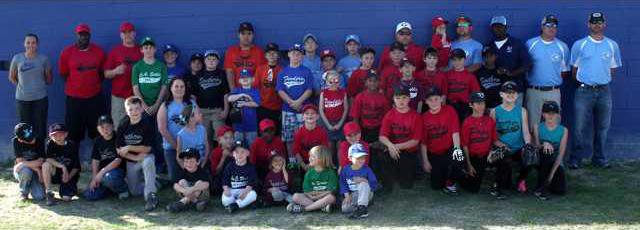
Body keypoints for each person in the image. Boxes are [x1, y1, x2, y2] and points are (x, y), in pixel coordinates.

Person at [568, 12, 622, 169]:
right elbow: (574, 70)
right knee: (579, 127)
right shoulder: (580, 44)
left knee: (603, 127)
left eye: (600, 22)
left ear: (604, 24)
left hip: (604, 91)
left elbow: (612, 69)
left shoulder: (612, 45)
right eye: (594, 22)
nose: (597, 25)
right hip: (584, 91)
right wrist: (585, 83)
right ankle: (575, 159)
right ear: (588, 24)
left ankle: (599, 158)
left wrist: (601, 82)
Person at [58, 23, 106, 144]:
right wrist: (77, 85)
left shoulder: (99, 51)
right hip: (74, 100)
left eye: (86, 34)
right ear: (76, 35)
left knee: (97, 132)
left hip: (94, 99)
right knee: (73, 134)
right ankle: (73, 162)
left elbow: (102, 74)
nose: (83, 37)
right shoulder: (67, 52)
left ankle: (98, 160)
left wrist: (91, 84)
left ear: (89, 35)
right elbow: (63, 74)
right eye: (81, 34)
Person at [525, 15, 570, 130]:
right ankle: (534, 148)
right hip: (534, 91)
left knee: (553, 125)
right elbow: (524, 66)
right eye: (548, 25)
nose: (552, 28)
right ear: (542, 27)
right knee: (532, 125)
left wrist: (551, 80)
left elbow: (564, 72)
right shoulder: (530, 44)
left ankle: (552, 148)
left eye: (555, 26)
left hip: (553, 92)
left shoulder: (562, 47)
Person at [490, 81, 532, 197]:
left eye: (513, 92)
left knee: (531, 154)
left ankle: (521, 179)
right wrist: (500, 145)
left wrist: (528, 145)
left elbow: (525, 132)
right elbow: (492, 136)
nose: (510, 95)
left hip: (517, 148)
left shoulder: (522, 111)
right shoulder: (495, 111)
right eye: (507, 92)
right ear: (501, 94)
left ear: (517, 95)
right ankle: (497, 185)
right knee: (505, 182)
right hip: (502, 148)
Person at [117, 97, 158, 211]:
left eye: (137, 109)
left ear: (141, 110)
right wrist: (134, 157)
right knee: (134, 192)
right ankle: (157, 182)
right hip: (131, 160)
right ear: (126, 111)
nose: (134, 112)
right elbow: (119, 150)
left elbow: (148, 148)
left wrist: (129, 147)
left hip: (145, 157)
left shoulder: (147, 124)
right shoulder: (123, 123)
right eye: (130, 109)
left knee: (149, 161)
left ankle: (151, 196)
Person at [378, 88, 422, 192]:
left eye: (404, 98)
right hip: (392, 149)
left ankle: (404, 173)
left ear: (409, 99)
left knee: (406, 184)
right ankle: (386, 183)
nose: (401, 101)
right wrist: (390, 146)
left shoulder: (416, 116)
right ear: (393, 99)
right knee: (381, 156)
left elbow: (415, 141)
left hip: (408, 151)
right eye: (397, 98)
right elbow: (382, 136)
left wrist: (395, 147)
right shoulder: (390, 115)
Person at [9, 33, 52, 141]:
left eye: (33, 42)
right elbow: (12, 77)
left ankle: (41, 152)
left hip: (40, 99)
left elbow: (49, 79)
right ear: (24, 44)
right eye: (28, 42)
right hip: (22, 99)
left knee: (40, 127)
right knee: (25, 127)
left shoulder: (44, 59)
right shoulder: (17, 58)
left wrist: (38, 86)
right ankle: (27, 153)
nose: (30, 45)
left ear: (37, 44)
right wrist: (23, 87)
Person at [420, 87, 462, 195]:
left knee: (459, 158)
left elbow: (455, 132)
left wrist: (457, 149)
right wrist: (425, 161)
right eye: (430, 100)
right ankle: (442, 174)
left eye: (436, 99)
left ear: (441, 99)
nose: (434, 102)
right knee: (436, 186)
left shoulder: (450, 110)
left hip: (448, 149)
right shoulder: (424, 117)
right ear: (426, 102)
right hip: (434, 153)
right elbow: (423, 142)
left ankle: (451, 181)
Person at [276, 43, 313, 158]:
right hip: (288, 109)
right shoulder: (283, 72)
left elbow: (309, 90)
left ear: (302, 56)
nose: (295, 56)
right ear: (288, 55)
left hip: (303, 110)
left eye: (298, 54)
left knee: (305, 138)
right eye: (293, 53)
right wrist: (291, 102)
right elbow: (280, 90)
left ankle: (306, 161)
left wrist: (299, 102)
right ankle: (292, 162)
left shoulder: (306, 71)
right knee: (289, 138)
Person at [104, 22, 142, 127]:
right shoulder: (115, 51)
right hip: (119, 96)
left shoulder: (142, 50)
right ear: (121, 35)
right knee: (119, 126)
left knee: (138, 126)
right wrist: (115, 71)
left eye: (130, 32)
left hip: (138, 96)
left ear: (134, 34)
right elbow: (106, 74)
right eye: (125, 33)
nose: (128, 35)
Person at [488, 16, 532, 106]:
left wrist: (511, 73)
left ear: (506, 27)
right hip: (495, 91)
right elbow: (485, 68)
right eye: (495, 27)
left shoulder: (516, 43)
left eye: (500, 26)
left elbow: (527, 65)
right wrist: (493, 68)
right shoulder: (489, 46)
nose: (497, 29)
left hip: (515, 90)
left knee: (515, 118)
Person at [83, 115, 129, 201]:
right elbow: (95, 160)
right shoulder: (97, 141)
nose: (105, 130)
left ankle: (123, 189)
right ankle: (110, 189)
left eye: (108, 126)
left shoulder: (118, 138)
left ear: (113, 126)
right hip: (103, 175)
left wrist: (101, 173)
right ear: (98, 129)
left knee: (109, 178)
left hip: (116, 172)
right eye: (102, 127)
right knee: (89, 195)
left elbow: (118, 160)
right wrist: (94, 178)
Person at [460, 92, 498, 193]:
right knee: (473, 189)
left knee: (503, 159)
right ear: (471, 105)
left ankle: (498, 184)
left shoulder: (490, 121)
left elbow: (494, 140)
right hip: (472, 157)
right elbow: (464, 145)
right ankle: (462, 175)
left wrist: (497, 150)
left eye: (483, 103)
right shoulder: (467, 122)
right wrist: (468, 164)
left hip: (486, 155)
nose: (481, 106)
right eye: (478, 103)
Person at [157, 78, 192, 182]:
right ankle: (161, 178)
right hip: (172, 147)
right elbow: (162, 129)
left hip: (189, 146)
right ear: (171, 88)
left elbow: (198, 123)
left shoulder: (191, 103)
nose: (179, 89)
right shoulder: (165, 106)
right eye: (176, 86)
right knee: (175, 178)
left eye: (182, 86)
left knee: (192, 176)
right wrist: (177, 147)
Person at [533, 101, 568, 200]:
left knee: (560, 190)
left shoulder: (563, 130)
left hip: (554, 162)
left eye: (553, 113)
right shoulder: (537, 127)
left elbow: (561, 154)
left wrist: (552, 175)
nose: (550, 116)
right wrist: (544, 144)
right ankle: (540, 189)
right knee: (547, 151)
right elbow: (536, 146)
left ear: (557, 114)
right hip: (541, 160)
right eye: (548, 113)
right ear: (543, 114)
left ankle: (547, 183)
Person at [287, 145, 338, 214]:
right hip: (311, 198)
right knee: (295, 196)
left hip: (324, 198)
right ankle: (321, 207)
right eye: (309, 156)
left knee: (331, 198)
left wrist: (318, 196)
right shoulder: (309, 173)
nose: (309, 158)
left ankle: (305, 208)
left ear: (322, 159)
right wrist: (312, 196)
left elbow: (331, 191)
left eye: (313, 156)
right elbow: (307, 191)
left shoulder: (331, 172)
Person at [42, 123, 80, 206]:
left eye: (61, 134)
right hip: (56, 173)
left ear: (66, 134)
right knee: (46, 165)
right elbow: (48, 158)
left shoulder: (72, 145)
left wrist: (68, 177)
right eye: (55, 135)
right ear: (50, 136)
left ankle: (70, 190)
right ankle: (48, 193)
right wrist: (62, 166)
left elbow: (76, 167)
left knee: (66, 198)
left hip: (69, 175)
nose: (58, 137)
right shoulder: (50, 143)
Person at [195, 50, 229, 136]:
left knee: (220, 136)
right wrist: (197, 111)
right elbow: (193, 95)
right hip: (202, 110)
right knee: (205, 137)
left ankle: (220, 150)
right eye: (209, 59)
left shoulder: (222, 74)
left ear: (218, 62)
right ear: (204, 61)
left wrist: (226, 110)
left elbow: (226, 93)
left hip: (217, 110)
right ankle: (208, 150)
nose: (211, 61)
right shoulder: (199, 74)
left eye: (214, 59)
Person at [350, 70, 390, 143]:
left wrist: (383, 133)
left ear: (379, 83)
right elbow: (355, 117)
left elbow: (386, 118)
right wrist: (357, 132)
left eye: (375, 81)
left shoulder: (383, 98)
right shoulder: (360, 97)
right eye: (370, 81)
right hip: (363, 129)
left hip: (378, 129)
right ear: (365, 82)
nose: (372, 83)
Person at [132, 37, 168, 117]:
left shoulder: (161, 66)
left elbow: (164, 87)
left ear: (155, 49)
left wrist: (157, 104)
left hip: (159, 105)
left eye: (151, 48)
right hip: (142, 106)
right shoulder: (137, 67)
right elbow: (135, 88)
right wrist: (144, 106)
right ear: (141, 50)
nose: (148, 50)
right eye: (146, 48)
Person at [339, 143, 378, 219]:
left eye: (363, 157)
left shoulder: (367, 169)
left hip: (367, 193)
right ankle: (362, 207)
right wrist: (347, 196)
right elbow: (343, 183)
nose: (361, 160)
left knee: (363, 184)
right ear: (350, 158)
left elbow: (374, 186)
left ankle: (362, 210)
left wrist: (364, 180)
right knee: (345, 209)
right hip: (354, 195)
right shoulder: (345, 170)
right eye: (358, 158)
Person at [166, 148, 210, 213]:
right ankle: (196, 202)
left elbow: (206, 184)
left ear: (198, 162)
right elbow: (175, 185)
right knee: (181, 181)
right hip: (186, 193)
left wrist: (192, 189)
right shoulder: (182, 172)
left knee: (199, 183)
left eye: (191, 161)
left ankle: (182, 202)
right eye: (186, 161)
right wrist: (184, 190)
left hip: (201, 196)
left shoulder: (202, 172)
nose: (188, 164)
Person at [224, 22, 266, 89]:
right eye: (243, 33)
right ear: (238, 35)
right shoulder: (231, 51)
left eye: (249, 34)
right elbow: (229, 72)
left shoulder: (259, 52)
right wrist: (233, 90)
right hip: (237, 90)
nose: (246, 37)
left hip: (254, 90)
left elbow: (261, 74)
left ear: (253, 35)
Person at [254, 43, 283, 134]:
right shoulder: (260, 69)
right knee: (263, 133)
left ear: (278, 55)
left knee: (275, 133)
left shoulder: (282, 71)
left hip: (276, 108)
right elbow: (255, 87)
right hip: (263, 107)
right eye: (269, 53)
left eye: (274, 53)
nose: (271, 55)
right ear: (265, 55)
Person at [221, 142, 258, 213]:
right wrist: (226, 190)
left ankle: (235, 205)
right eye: (237, 152)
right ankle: (239, 204)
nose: (239, 155)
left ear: (248, 153)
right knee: (225, 200)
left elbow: (251, 183)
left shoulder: (250, 167)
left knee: (253, 194)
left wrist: (245, 193)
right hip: (232, 190)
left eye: (242, 152)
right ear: (233, 154)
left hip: (244, 190)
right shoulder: (230, 166)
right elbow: (224, 180)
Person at [12, 123, 45, 201]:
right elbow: (20, 161)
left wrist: (24, 163)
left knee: (39, 197)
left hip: (33, 169)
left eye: (32, 136)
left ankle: (31, 184)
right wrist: (37, 169)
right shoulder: (16, 141)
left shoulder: (39, 139)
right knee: (26, 171)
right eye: (29, 140)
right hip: (23, 170)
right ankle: (24, 192)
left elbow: (40, 161)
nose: (33, 140)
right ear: (20, 140)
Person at [446, 48, 481, 122]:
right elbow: (444, 93)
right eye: (454, 60)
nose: (457, 62)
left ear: (464, 59)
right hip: (451, 107)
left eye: (460, 59)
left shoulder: (471, 76)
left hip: (466, 108)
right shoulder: (447, 75)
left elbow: (476, 95)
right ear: (451, 61)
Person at [319, 70, 349, 156]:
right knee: (329, 145)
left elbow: (346, 109)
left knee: (340, 145)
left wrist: (340, 124)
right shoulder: (323, 93)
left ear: (339, 81)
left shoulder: (343, 92)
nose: (333, 83)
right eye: (330, 81)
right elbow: (321, 110)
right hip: (327, 122)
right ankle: (331, 165)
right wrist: (328, 125)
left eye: (336, 81)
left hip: (340, 121)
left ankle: (340, 165)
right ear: (326, 82)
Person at [228, 69, 260, 145]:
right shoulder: (237, 90)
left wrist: (243, 103)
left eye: (247, 77)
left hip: (251, 125)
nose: (245, 79)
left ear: (252, 79)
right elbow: (229, 99)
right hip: (238, 125)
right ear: (239, 80)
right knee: (238, 145)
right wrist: (242, 95)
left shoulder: (255, 91)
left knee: (252, 146)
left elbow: (256, 104)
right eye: (242, 78)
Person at [293, 104, 330, 170]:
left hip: (319, 161)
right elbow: (296, 152)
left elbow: (324, 150)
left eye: (312, 113)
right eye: (307, 113)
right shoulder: (299, 133)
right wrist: (303, 165)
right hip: (304, 162)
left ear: (317, 117)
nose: (310, 115)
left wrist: (316, 164)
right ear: (303, 117)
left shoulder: (322, 132)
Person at [176, 104, 209, 169]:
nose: (201, 114)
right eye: (198, 113)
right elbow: (178, 157)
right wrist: (186, 169)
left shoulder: (202, 129)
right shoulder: (181, 135)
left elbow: (207, 149)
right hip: (188, 168)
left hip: (202, 165)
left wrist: (202, 166)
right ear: (191, 117)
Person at [209, 125, 235, 195]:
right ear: (219, 140)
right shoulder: (215, 152)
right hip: (221, 180)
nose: (229, 140)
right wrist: (223, 157)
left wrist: (232, 155)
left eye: (231, 137)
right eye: (226, 138)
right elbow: (215, 173)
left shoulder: (237, 150)